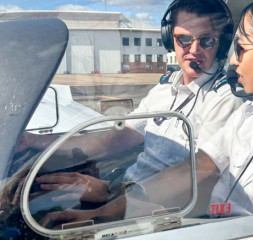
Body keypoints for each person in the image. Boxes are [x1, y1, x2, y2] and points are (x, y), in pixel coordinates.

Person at [39, 0, 253, 227]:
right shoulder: (251, 116)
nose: (233, 61)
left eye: (240, 49)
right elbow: (195, 170)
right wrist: (104, 215)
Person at [30, 0, 240, 214]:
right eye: (184, 39)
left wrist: (108, 197)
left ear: (220, 44)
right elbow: (110, 142)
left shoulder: (224, 98)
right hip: (124, 195)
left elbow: (200, 177)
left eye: (206, 41)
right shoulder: (164, 89)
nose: (194, 50)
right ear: (170, 39)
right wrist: (33, 141)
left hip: (156, 212)